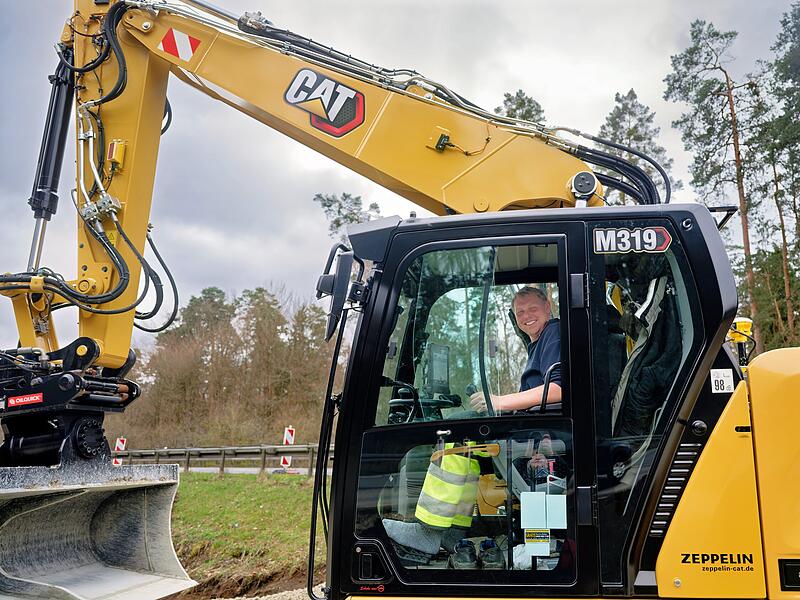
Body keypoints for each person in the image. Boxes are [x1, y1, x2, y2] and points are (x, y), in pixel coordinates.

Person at [470, 286, 561, 413]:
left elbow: (559, 389)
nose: (527, 316)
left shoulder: (554, 332)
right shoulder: (535, 346)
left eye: (533, 309)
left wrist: (500, 401)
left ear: (547, 307)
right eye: (520, 312)